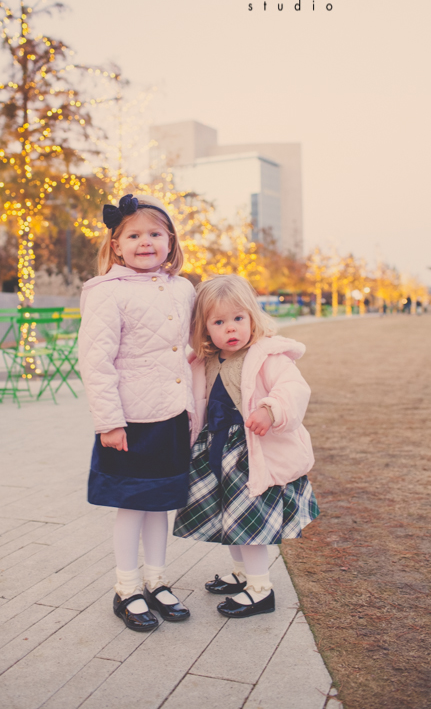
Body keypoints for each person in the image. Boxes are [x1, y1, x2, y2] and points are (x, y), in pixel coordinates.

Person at [78, 194, 194, 633]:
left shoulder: (182, 288)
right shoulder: (107, 292)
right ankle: (127, 588)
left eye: (154, 234)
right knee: (131, 505)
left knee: (160, 505)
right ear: (116, 245)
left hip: (171, 416)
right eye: (134, 235)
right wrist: (109, 421)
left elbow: (188, 348)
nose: (145, 242)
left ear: (169, 241)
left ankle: (157, 580)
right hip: (130, 420)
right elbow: (95, 360)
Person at [174, 274, 319, 619]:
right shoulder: (204, 361)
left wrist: (271, 410)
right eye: (219, 321)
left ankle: (260, 589)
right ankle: (242, 575)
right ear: (205, 328)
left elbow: (293, 389)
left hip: (253, 455)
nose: (231, 328)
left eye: (238, 318)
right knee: (231, 520)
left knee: (248, 526)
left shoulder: (268, 357)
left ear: (252, 317)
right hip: (216, 452)